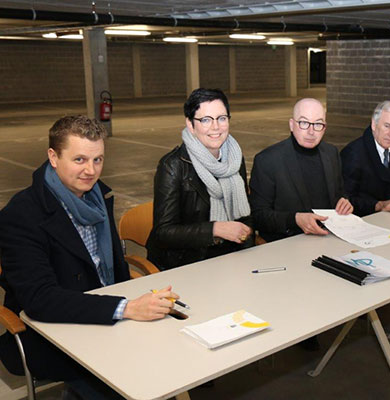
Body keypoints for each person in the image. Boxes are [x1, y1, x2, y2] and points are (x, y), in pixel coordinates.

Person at [0, 115, 178, 399]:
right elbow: (40, 300)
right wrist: (127, 309)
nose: (91, 171)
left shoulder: (98, 198)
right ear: (53, 157)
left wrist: (135, 303)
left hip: (107, 315)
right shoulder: (21, 216)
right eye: (80, 159)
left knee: (171, 358)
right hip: (54, 332)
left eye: (98, 160)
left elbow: (112, 268)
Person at [146, 88, 253, 270]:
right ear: (190, 124)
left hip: (230, 256)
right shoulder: (173, 166)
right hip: (185, 262)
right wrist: (214, 229)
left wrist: (247, 239)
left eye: (222, 118)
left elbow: (245, 214)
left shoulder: (235, 159)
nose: (215, 127)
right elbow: (163, 233)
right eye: (205, 120)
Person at [249, 98, 353, 243]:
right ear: (292, 125)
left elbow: (340, 193)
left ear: (324, 127)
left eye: (318, 124)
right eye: (304, 123)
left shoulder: (331, 153)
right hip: (287, 242)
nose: (311, 131)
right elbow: (258, 216)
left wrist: (345, 201)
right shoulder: (267, 160)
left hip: (328, 237)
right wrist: (295, 219)